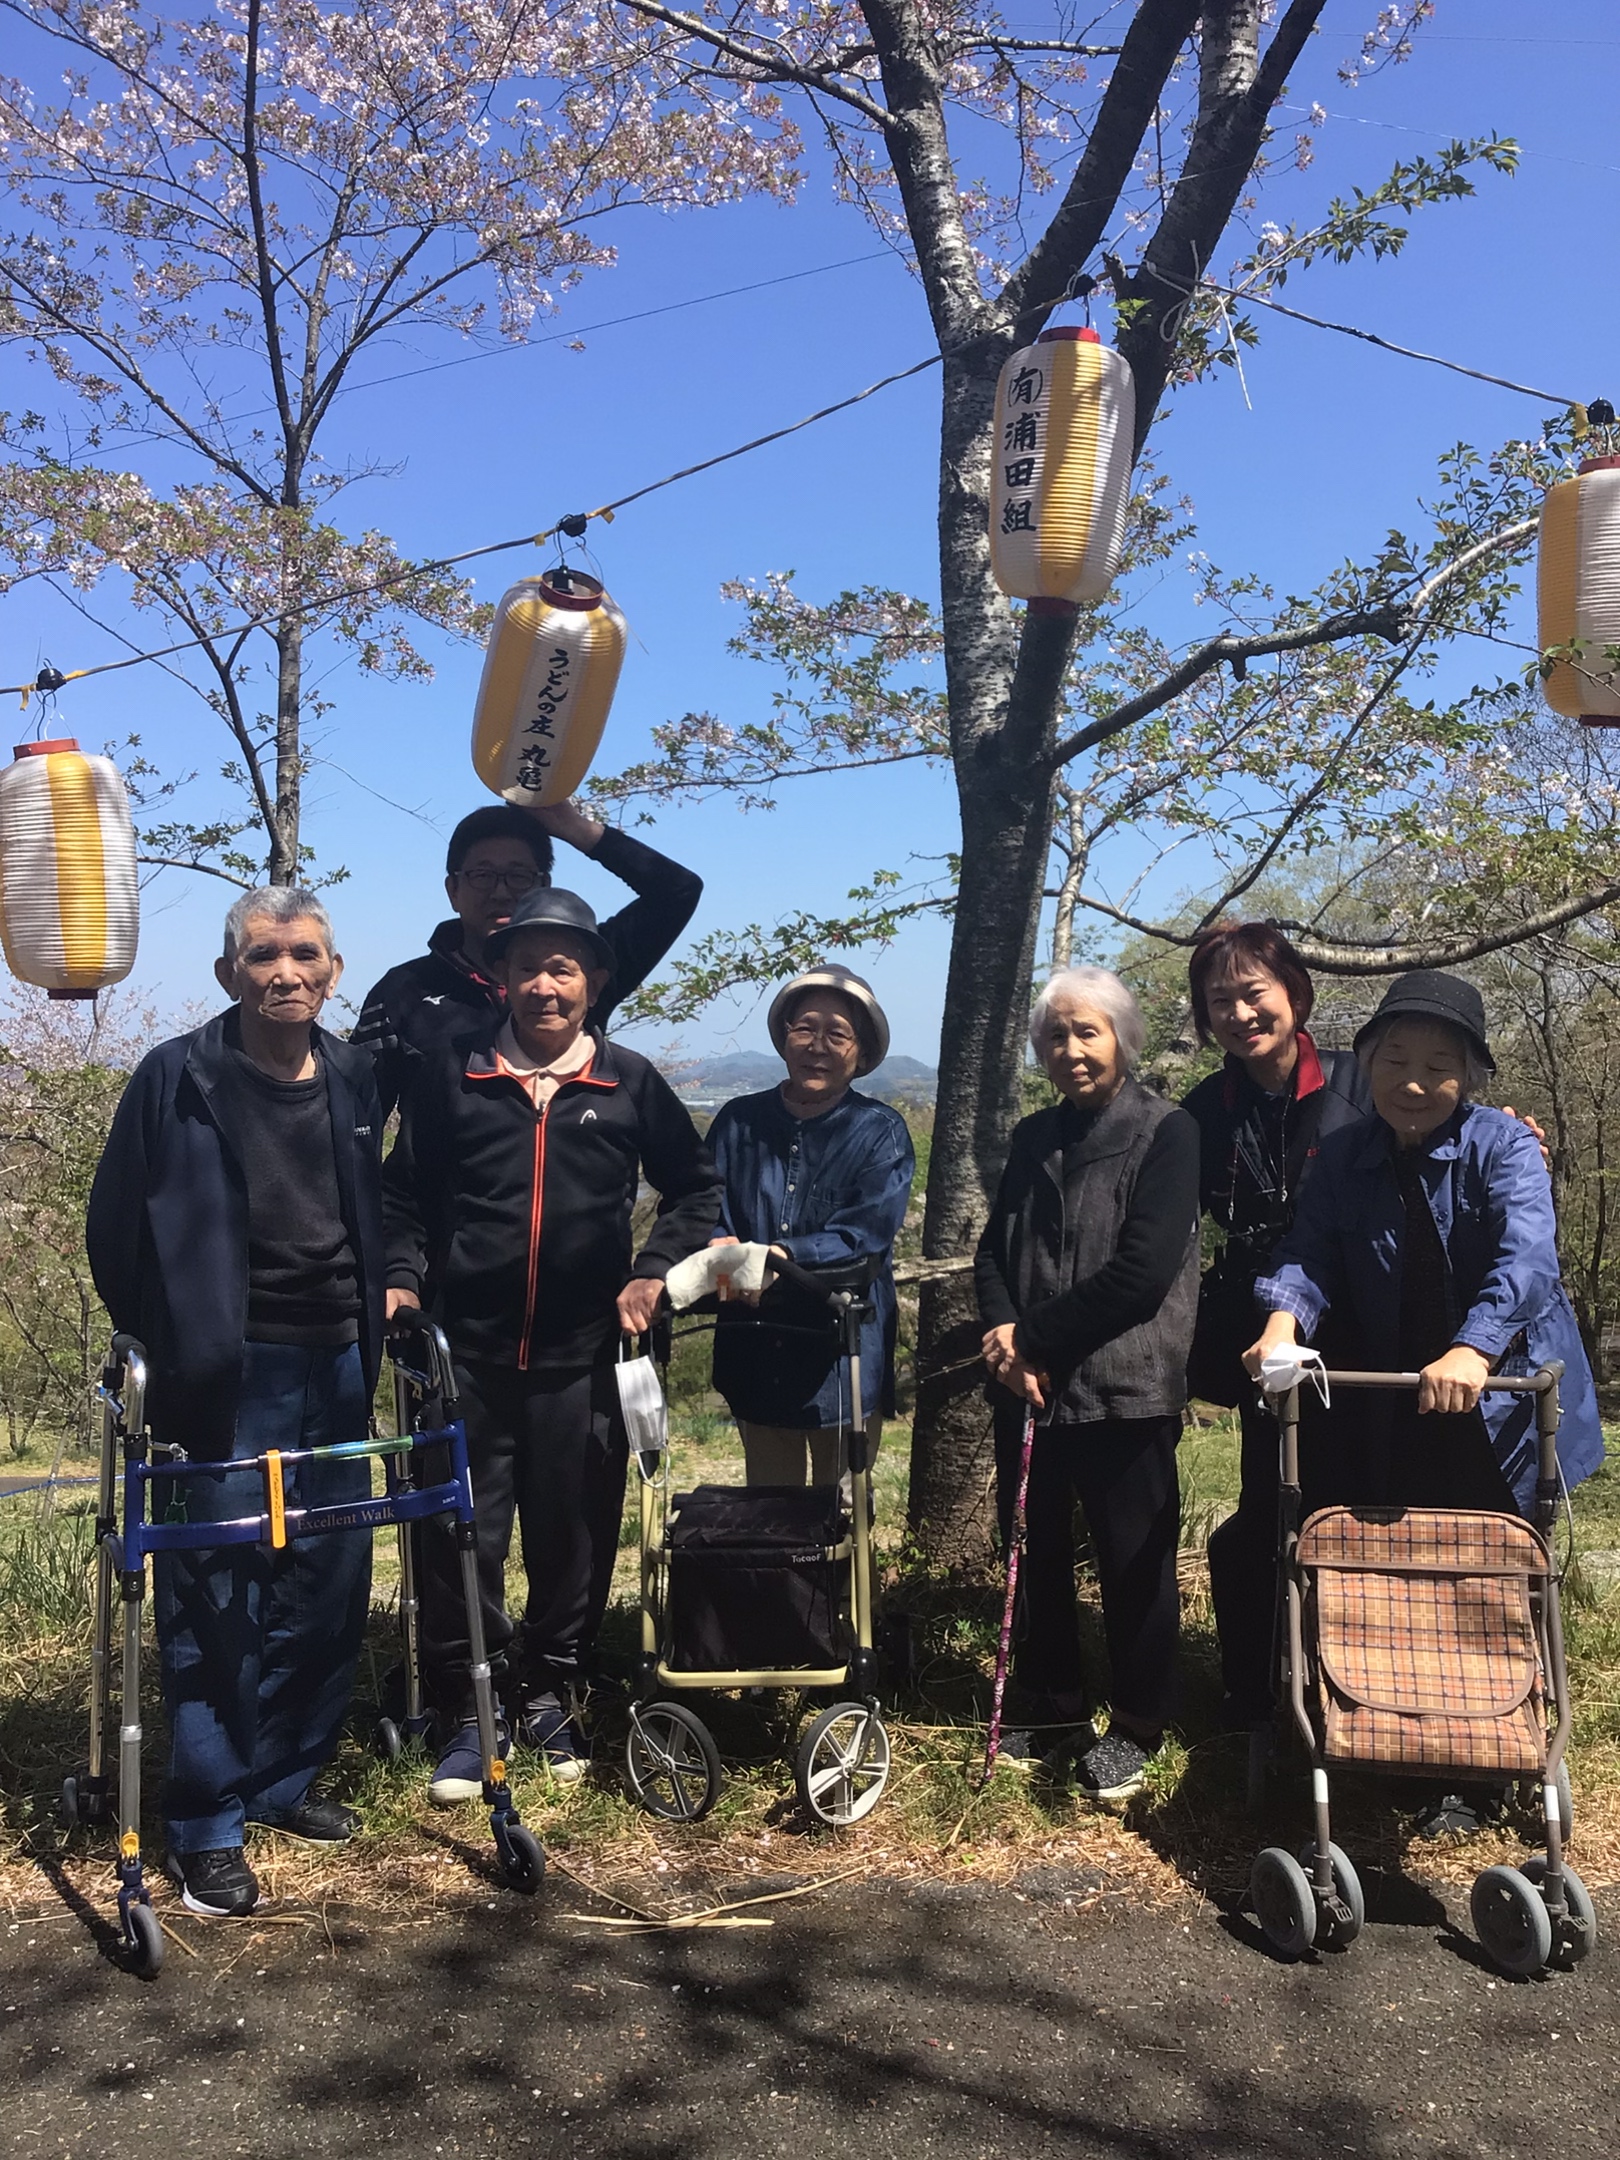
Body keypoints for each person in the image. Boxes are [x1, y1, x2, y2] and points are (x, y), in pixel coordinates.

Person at [381, 885, 722, 1803]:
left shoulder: (629, 1081)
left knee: (574, 1534)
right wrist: (402, 1276)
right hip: (465, 1355)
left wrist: (654, 1270)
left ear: (594, 982)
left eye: (563, 968)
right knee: (463, 1534)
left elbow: (696, 1188)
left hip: (587, 1356)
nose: (544, 985)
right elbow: (401, 1192)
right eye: (527, 967)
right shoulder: (452, 1074)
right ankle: (470, 1706)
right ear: (501, 977)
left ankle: (549, 1693)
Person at [1243, 971, 1604, 1832]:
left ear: (1469, 1076)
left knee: (1481, 1571)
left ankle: (1478, 1761)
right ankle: (1388, 1723)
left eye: (1438, 1065)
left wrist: (1473, 1348)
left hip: (1496, 1397)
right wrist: (1282, 1322)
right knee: (1397, 1566)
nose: (1413, 1081)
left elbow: (1528, 1259)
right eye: (1394, 1059)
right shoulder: (1343, 1156)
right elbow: (1310, 1252)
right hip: (1392, 1395)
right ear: (1366, 1062)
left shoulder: (1503, 1147)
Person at [86, 889, 385, 1920]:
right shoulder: (177, 1075)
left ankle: (283, 1782)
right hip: (224, 1371)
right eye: (263, 955)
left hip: (340, 1362)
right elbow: (115, 1229)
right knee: (215, 1593)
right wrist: (177, 1343)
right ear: (230, 974)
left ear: (333, 972)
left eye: (305, 954)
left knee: (326, 1579)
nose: (285, 972)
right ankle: (207, 1823)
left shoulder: (354, 1074)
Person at [976, 966, 1201, 1805]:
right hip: (1030, 1386)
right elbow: (993, 1252)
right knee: (1032, 1550)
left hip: (1126, 1383)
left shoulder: (1166, 1130)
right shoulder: (1034, 1135)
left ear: (1123, 1038)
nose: (1070, 1049)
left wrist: (1031, 1337)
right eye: (1054, 1036)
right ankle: (1054, 1698)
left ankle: (1139, 1722)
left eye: (1087, 1032)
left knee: (1133, 1561)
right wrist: (1006, 1340)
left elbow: (1142, 1274)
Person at [1179, 923, 1371, 1728]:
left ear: (1294, 991)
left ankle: (1358, 1684)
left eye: (1253, 993)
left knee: (1361, 1504)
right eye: (1219, 1001)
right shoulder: (1203, 1110)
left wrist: (1511, 1137)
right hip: (1265, 1339)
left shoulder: (1361, 1082)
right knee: (1271, 1502)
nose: (1240, 1013)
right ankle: (1258, 1692)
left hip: (1366, 1325)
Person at [354, 797, 701, 1116]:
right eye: (482, 876)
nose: (501, 892)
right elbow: (356, 1117)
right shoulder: (405, 989)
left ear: (544, 886)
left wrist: (573, 827)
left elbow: (678, 891)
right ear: (453, 890)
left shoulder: (580, 969)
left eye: (518, 876)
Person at [706, 966, 915, 1485]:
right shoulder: (737, 1122)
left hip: (842, 1358)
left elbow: (863, 1235)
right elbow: (704, 1210)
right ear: (784, 1038)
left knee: (842, 1514)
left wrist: (779, 1258)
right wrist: (722, 1257)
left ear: (861, 1053)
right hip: (754, 1346)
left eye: (837, 1034)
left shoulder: (880, 1132)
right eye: (804, 1028)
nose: (817, 1045)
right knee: (768, 1509)